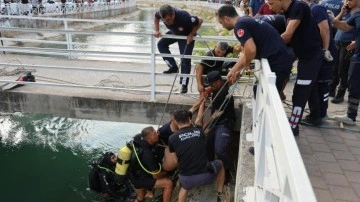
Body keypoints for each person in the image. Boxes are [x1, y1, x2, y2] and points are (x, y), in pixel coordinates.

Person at [267, 0, 325, 136]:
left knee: (300, 92)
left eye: (271, 3)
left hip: (311, 58)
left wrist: (268, 47)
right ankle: (316, 116)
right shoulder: (287, 12)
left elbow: (288, 35)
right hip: (304, 56)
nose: (269, 6)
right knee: (311, 88)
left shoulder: (298, 6)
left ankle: (293, 126)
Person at [215, 5, 292, 98]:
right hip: (279, 60)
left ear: (227, 19)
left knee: (266, 97)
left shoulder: (239, 26)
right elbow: (245, 52)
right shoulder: (246, 20)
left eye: (221, 22)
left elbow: (251, 50)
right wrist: (234, 70)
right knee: (258, 91)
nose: (222, 26)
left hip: (278, 63)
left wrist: (246, 65)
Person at [166, 109, 226, 202]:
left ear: (175, 122)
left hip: (186, 179)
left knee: (184, 189)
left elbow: (175, 161)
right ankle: (220, 193)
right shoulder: (200, 132)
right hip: (206, 176)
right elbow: (200, 137)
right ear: (189, 119)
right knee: (220, 163)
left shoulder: (172, 138)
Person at [299, 1, 337, 126]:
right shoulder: (316, 9)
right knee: (321, 84)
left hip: (323, 54)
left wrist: (325, 50)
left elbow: (324, 29)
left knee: (317, 84)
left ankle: (317, 116)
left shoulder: (316, 9)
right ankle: (320, 113)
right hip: (321, 53)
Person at [154, 4, 203, 94]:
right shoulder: (160, 13)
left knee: (185, 59)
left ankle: (184, 84)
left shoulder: (184, 16)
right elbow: (156, 17)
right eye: (165, 21)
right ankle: (173, 66)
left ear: (173, 14)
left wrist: (191, 34)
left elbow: (200, 20)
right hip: (175, 32)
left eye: (169, 20)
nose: (167, 22)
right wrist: (157, 30)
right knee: (161, 44)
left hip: (186, 36)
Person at [328, 9, 360, 126]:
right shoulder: (357, 14)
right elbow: (345, 26)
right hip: (358, 57)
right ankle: (351, 116)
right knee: (354, 85)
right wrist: (333, 19)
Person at [202, 71, 235, 184]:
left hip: (224, 122)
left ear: (218, 82)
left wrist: (204, 127)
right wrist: (209, 90)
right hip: (216, 122)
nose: (210, 86)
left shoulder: (222, 94)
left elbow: (215, 115)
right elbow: (231, 79)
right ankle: (210, 167)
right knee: (207, 145)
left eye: (211, 84)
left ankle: (227, 170)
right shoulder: (221, 85)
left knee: (219, 150)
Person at [129, 127, 173, 202]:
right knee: (168, 183)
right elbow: (156, 175)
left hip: (133, 174)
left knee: (140, 198)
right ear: (148, 139)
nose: (157, 135)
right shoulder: (147, 154)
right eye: (154, 134)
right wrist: (166, 172)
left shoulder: (140, 139)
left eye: (155, 132)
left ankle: (147, 193)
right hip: (141, 178)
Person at [330, 1, 358, 103]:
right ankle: (331, 89)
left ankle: (340, 93)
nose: (347, 2)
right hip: (338, 41)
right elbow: (334, 23)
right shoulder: (347, 10)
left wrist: (356, 42)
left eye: (350, 0)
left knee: (343, 70)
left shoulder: (358, 14)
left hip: (348, 44)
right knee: (334, 67)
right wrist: (342, 12)